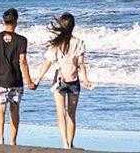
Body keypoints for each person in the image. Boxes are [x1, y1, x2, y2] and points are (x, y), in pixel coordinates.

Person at [30, 12, 93, 149]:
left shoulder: (56, 44)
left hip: (59, 81)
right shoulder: (79, 42)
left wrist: (38, 79)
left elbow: (47, 63)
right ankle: (70, 144)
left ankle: (64, 143)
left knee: (61, 112)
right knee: (71, 113)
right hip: (74, 80)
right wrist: (85, 79)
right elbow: (80, 64)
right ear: (73, 26)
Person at [0, 7, 35, 146]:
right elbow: (22, 61)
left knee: (0, 110)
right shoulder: (22, 40)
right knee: (14, 110)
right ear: (16, 21)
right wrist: (29, 81)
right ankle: (13, 141)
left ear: (3, 21)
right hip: (16, 80)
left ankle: (0, 139)